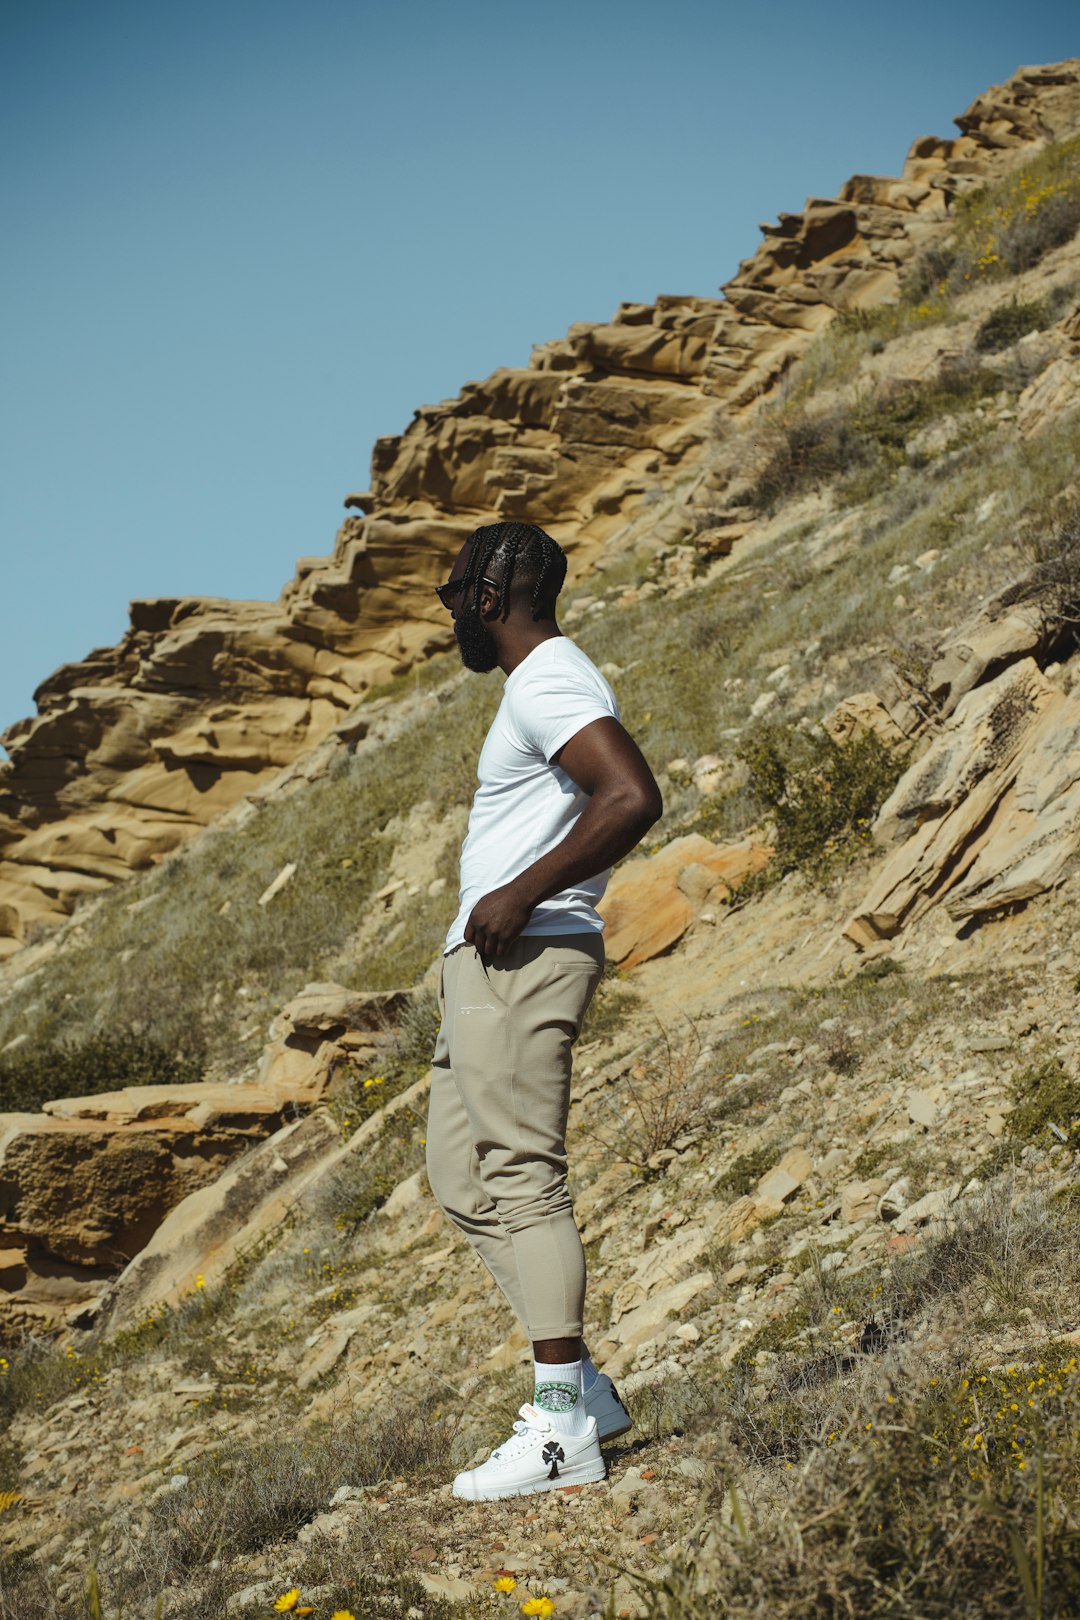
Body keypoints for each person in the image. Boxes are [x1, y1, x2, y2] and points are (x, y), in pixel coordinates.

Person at [425, 519, 663, 1501]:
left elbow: (631, 795)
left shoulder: (549, 677)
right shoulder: (534, 687)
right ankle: (587, 1392)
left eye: (454, 596)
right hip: (485, 966)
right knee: (460, 1176)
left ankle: (562, 1430)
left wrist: (521, 893)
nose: (450, 617)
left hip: (524, 952)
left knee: (522, 1179)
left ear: (490, 594)